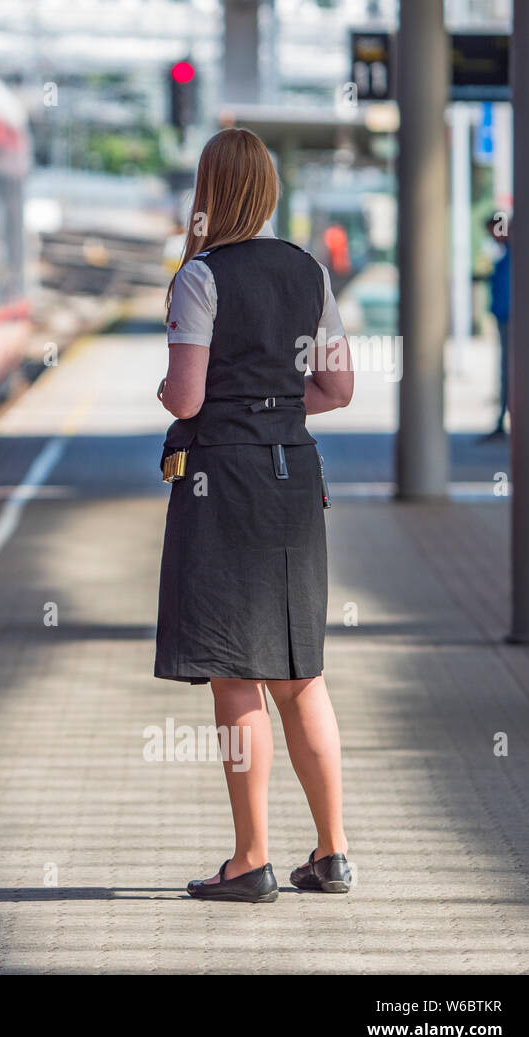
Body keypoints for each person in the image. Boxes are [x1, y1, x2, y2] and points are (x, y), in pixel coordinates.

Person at [155, 128, 356, 903]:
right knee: (301, 673)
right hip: (296, 478)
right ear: (267, 190)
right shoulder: (309, 271)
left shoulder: (200, 277)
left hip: (225, 482)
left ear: (208, 193)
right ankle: (332, 853)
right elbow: (338, 390)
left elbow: (188, 397)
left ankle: (250, 861)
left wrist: (174, 398)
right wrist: (274, 405)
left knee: (236, 672)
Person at [482, 214, 511, 441]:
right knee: (506, 371)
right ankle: (503, 418)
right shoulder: (506, 255)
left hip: (513, 319)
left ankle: (506, 419)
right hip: (505, 318)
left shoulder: (516, 255)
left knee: (510, 371)